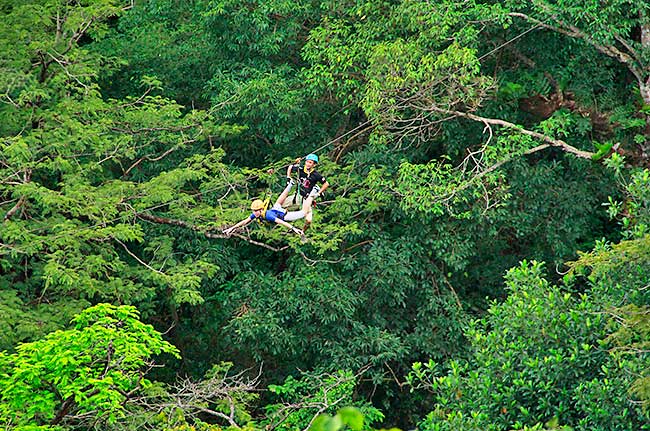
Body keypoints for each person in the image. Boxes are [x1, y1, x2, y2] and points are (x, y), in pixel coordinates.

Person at [222, 185, 319, 238]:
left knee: (303, 213)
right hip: (275, 209)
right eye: (254, 211)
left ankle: (314, 191)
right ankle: (290, 184)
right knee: (278, 203)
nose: (255, 213)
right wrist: (232, 228)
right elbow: (244, 221)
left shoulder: (267, 215)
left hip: (283, 215)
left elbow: (281, 222)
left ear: (261, 209)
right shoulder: (257, 214)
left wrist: (293, 228)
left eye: (256, 211)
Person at [283, 153, 329, 228]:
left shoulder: (316, 175)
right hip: (298, 195)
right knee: (282, 206)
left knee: (308, 220)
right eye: (307, 162)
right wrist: (289, 177)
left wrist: (318, 193)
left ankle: (302, 231)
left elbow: (326, 184)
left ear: (314, 165)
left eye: (310, 162)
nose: (308, 164)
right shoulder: (300, 168)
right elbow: (290, 167)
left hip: (307, 198)